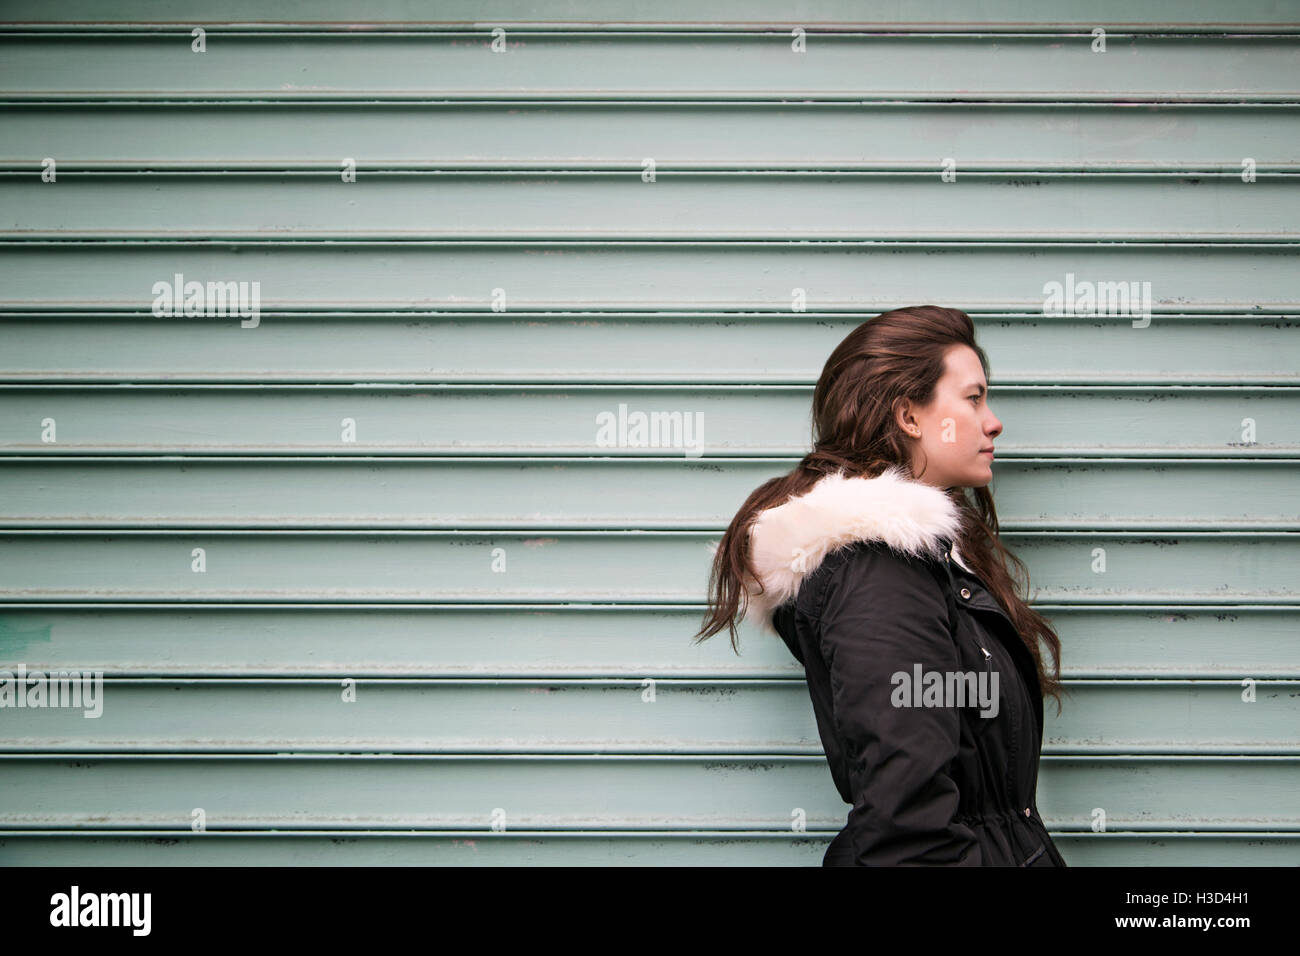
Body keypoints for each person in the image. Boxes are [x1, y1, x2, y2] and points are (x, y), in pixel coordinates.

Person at [694, 305, 1068, 866]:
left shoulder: (922, 565)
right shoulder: (879, 574)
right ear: (910, 417)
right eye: (973, 398)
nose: (993, 421)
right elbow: (907, 827)